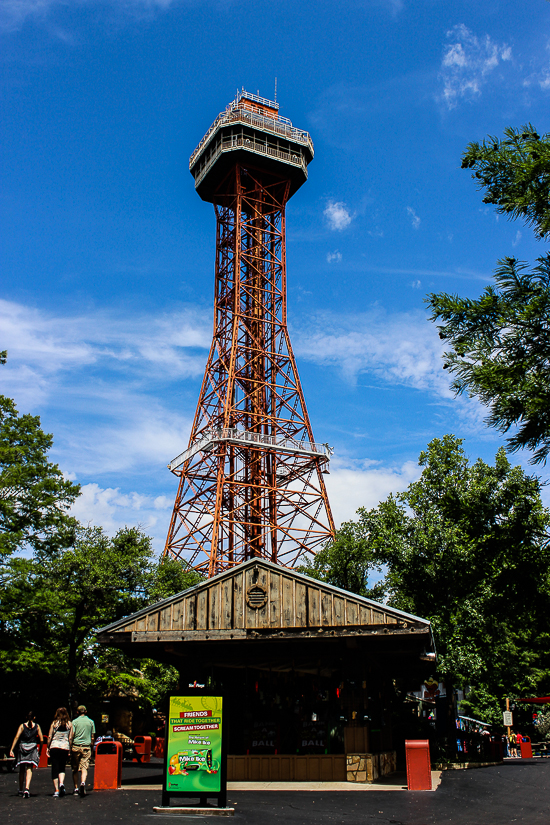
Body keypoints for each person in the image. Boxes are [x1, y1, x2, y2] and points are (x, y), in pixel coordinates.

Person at [9, 711, 44, 798]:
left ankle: (21, 789)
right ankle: (27, 788)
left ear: (26, 717)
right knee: (29, 768)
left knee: (21, 769)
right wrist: (40, 750)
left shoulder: (22, 726)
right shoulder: (37, 726)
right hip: (32, 747)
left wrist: (12, 749)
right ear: (34, 717)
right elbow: (41, 739)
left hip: (23, 747)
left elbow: (17, 737)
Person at [47, 707, 73, 798]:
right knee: (62, 767)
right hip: (64, 747)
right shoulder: (69, 724)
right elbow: (70, 738)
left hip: (54, 746)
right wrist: (69, 748)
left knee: (55, 768)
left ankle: (56, 790)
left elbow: (50, 736)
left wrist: (48, 747)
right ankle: (62, 783)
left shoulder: (54, 723)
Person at [70, 705, 95, 796]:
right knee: (84, 767)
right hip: (86, 746)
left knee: (75, 768)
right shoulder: (91, 722)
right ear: (86, 711)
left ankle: (76, 788)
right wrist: (91, 748)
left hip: (76, 746)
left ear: (77, 712)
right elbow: (92, 737)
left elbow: (72, 735)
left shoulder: (74, 722)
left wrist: (70, 746)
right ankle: (83, 782)